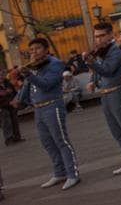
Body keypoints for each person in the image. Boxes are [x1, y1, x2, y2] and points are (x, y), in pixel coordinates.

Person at [11, 38, 80, 190]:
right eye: (31, 50)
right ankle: (59, 172)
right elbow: (29, 86)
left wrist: (29, 75)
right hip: (38, 109)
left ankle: (72, 174)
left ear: (46, 49)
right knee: (47, 143)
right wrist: (19, 99)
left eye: (37, 48)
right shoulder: (34, 67)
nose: (34, 52)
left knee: (61, 141)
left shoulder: (55, 64)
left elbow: (47, 85)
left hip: (52, 106)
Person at [85, 22, 121, 176]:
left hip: (117, 92)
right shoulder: (101, 51)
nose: (98, 39)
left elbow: (108, 70)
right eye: (96, 36)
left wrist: (92, 63)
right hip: (105, 94)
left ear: (110, 35)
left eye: (102, 36)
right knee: (116, 131)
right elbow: (99, 71)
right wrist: (93, 80)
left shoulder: (115, 51)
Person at [0, 75, 24, 146]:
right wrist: (8, 102)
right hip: (2, 107)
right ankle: (9, 139)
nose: (1, 77)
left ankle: (17, 137)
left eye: (1, 75)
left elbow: (15, 93)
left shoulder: (8, 83)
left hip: (12, 105)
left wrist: (16, 100)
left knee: (15, 121)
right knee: (6, 123)